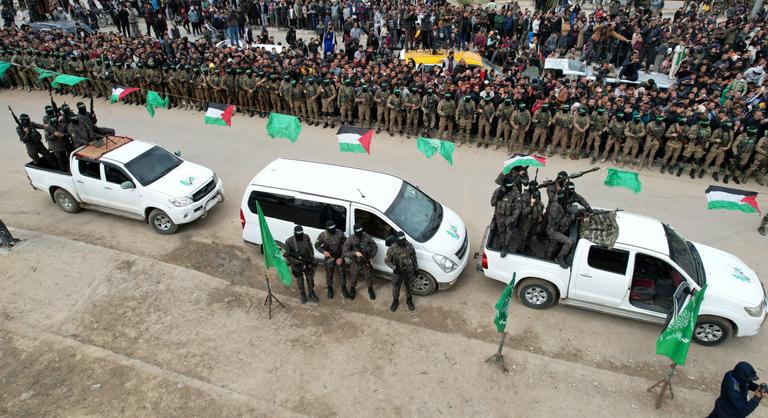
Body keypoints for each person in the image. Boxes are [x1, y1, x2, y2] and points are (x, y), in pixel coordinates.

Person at [284, 225, 319, 304]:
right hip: (297, 265)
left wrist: (311, 259)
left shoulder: (306, 237)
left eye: (301, 234)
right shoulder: (289, 241)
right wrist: (296, 261)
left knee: (310, 279)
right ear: (295, 233)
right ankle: (302, 295)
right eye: (298, 234)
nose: (300, 236)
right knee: (300, 281)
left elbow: (310, 248)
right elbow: (287, 255)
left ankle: (311, 293)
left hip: (307, 263)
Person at [342, 223, 378, 300]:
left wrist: (371, 257)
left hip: (365, 261)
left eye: (361, 232)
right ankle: (352, 289)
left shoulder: (366, 236)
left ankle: (370, 289)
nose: (360, 234)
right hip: (356, 262)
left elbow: (374, 246)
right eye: (358, 232)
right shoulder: (350, 239)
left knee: (368, 276)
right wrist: (355, 253)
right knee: (353, 277)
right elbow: (345, 252)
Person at [384, 231, 417, 312]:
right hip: (398, 272)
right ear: (397, 240)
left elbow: (413, 257)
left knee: (409, 286)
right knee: (396, 287)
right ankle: (395, 301)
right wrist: (394, 268)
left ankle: (409, 300)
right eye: (401, 241)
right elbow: (387, 260)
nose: (403, 242)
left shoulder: (409, 245)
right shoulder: (392, 248)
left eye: (404, 240)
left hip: (409, 271)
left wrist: (416, 268)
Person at [314, 220, 348, 299]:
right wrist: (324, 252)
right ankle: (329, 288)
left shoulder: (340, 233)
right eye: (331, 230)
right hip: (329, 258)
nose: (333, 231)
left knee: (342, 273)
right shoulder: (323, 235)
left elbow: (346, 246)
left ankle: (343, 288)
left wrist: (341, 258)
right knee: (329, 273)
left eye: (334, 229)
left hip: (339, 256)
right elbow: (316, 245)